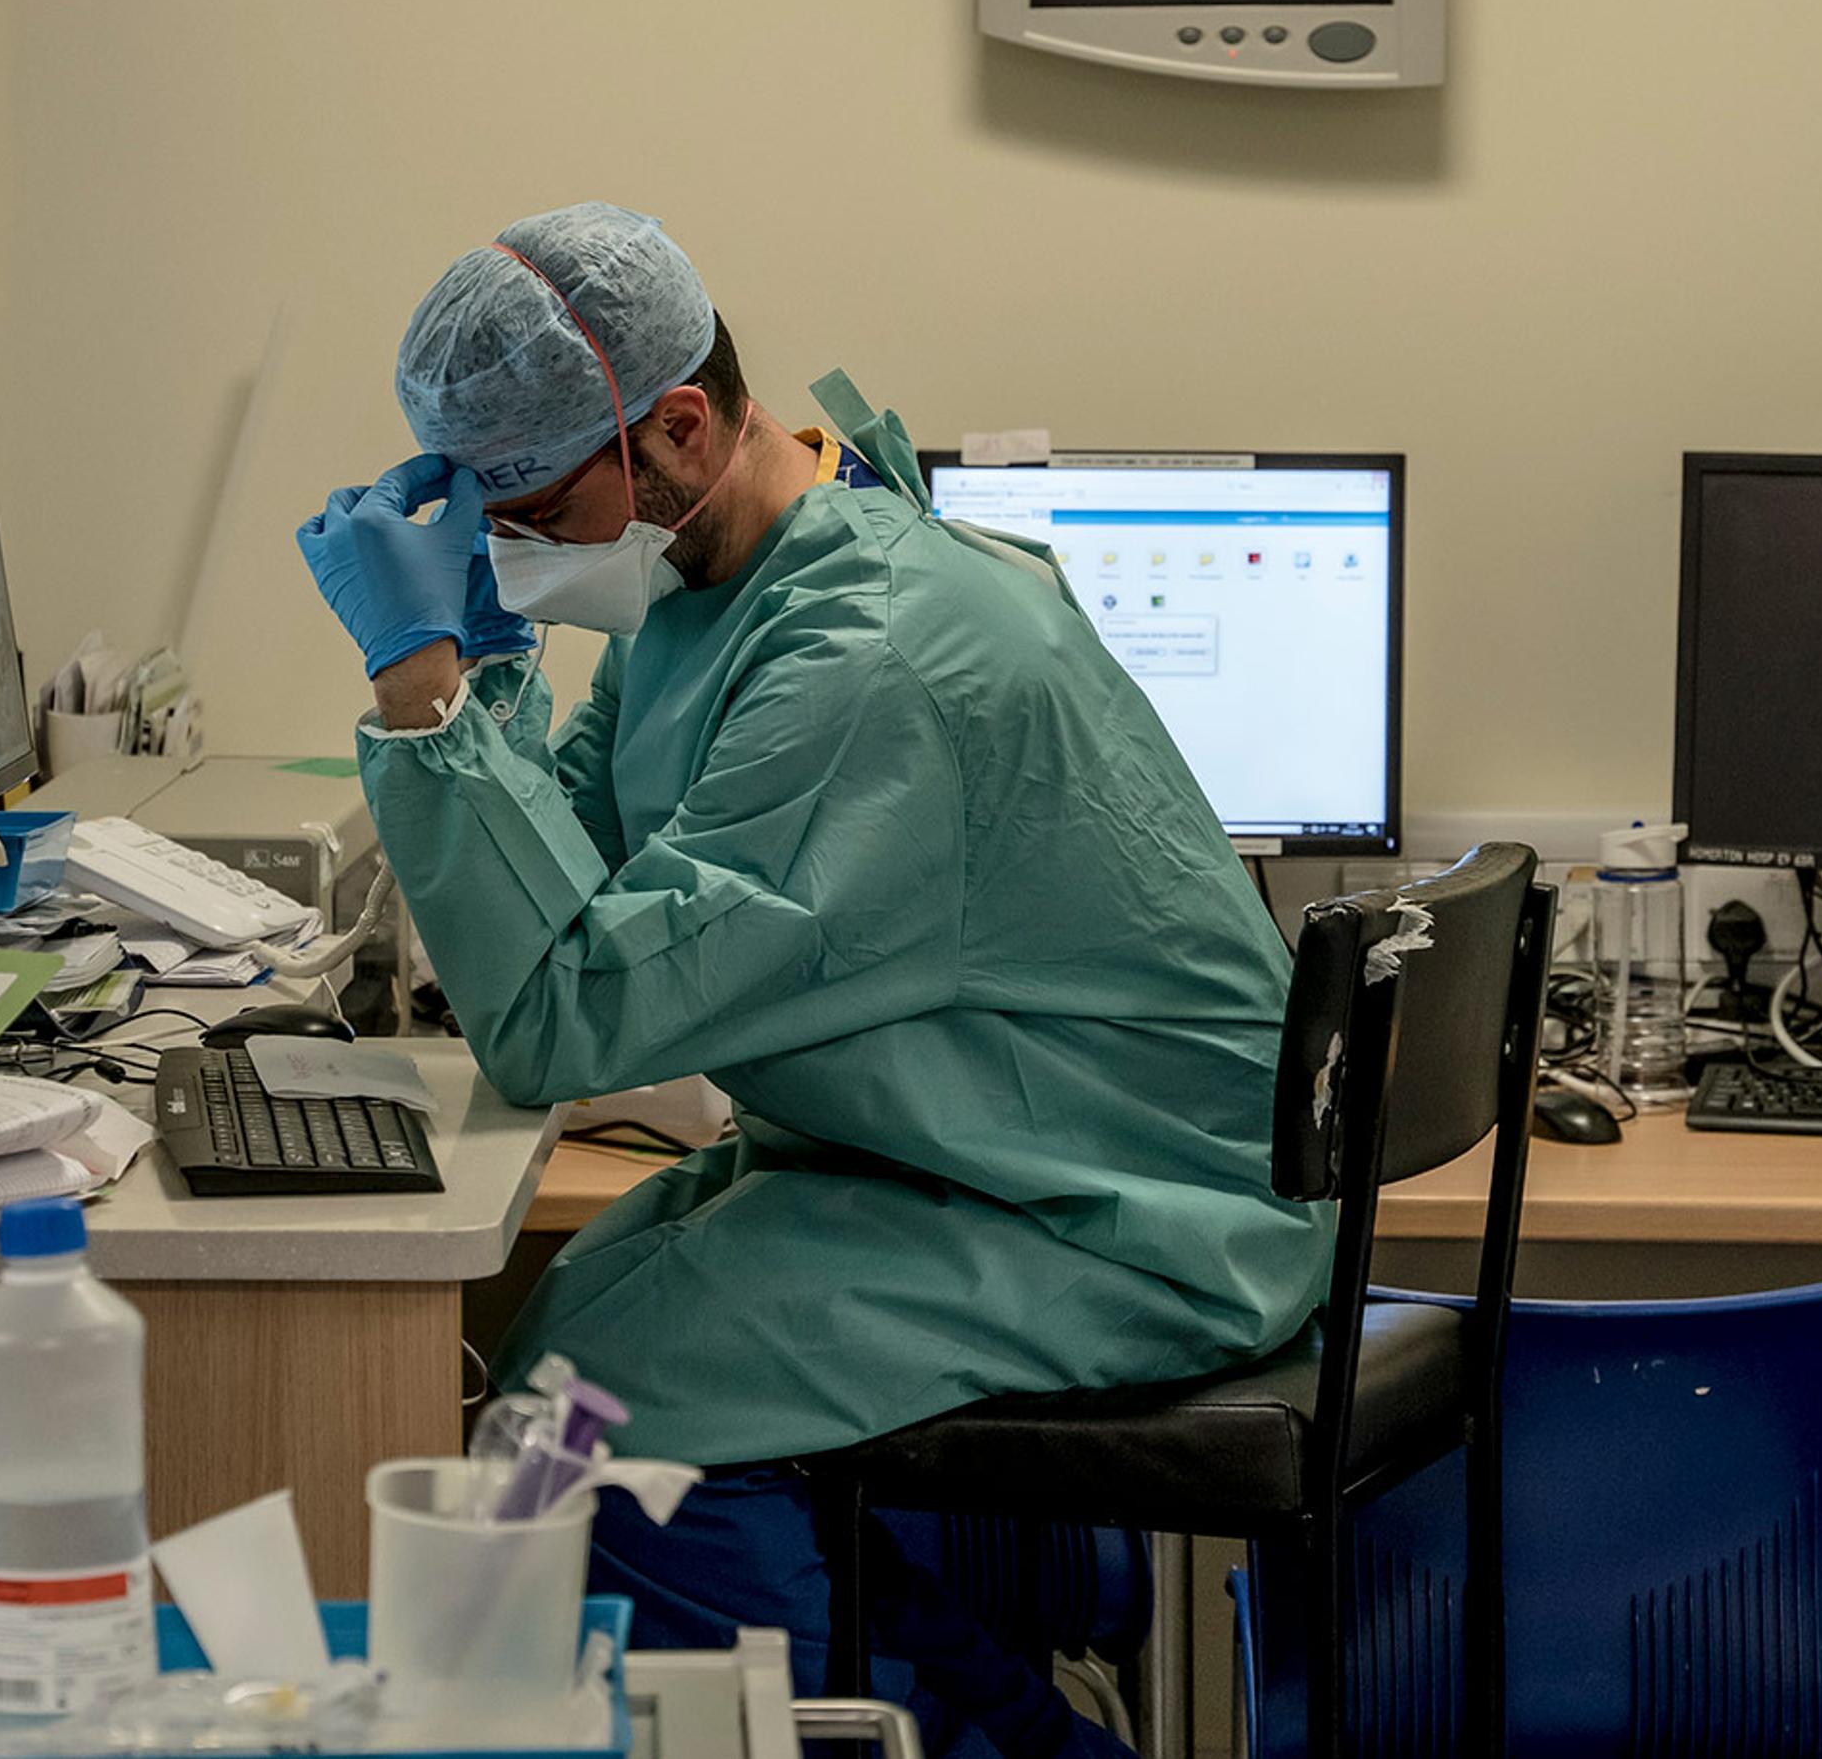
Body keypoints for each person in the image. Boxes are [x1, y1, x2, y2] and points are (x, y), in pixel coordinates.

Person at [295, 203, 1324, 1759]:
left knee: (597, 1436)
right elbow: (572, 868)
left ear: (683, 429)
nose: (507, 549)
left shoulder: (871, 658)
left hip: (1127, 1211)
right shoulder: (722, 587)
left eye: (527, 513)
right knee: (559, 1358)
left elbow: (567, 1013)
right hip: (960, 1163)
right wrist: (499, 657)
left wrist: (424, 694)